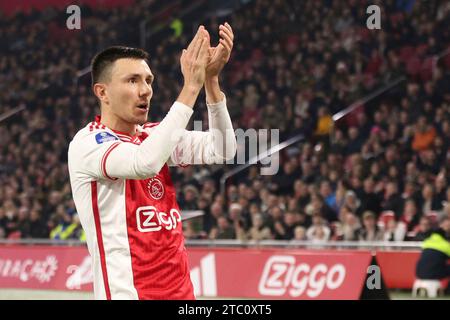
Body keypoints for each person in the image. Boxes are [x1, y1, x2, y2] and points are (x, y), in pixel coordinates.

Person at [68, 24, 237, 300]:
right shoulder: (88, 144)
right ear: (102, 92)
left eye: (148, 80)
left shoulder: (154, 136)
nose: (145, 90)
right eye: (132, 80)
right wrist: (191, 86)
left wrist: (211, 82)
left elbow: (224, 150)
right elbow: (143, 163)